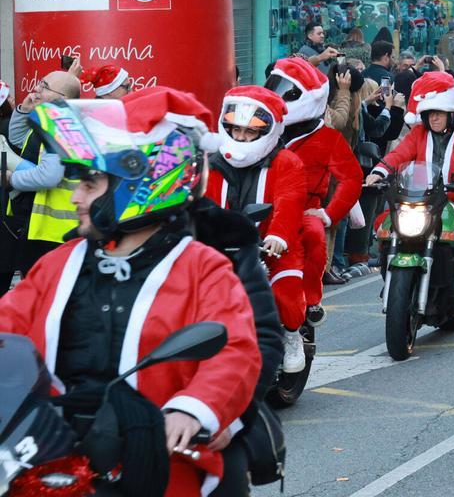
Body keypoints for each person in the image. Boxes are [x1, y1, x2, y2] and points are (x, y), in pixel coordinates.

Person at [0, 88, 261, 496]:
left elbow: (235, 350)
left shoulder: (202, 267)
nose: (75, 197)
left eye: (89, 183)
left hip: (153, 457)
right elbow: (7, 327)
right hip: (50, 454)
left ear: (138, 185)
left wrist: (190, 410)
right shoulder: (57, 263)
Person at [365, 71, 454, 341]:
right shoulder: (417, 133)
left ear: (450, 112)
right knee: (385, 229)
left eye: (439, 113)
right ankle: (396, 286)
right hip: (419, 202)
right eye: (429, 114)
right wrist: (379, 172)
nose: (434, 118)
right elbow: (398, 155)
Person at [205, 86, 309, 372]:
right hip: (218, 247)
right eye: (235, 130)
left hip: (269, 246)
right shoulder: (210, 163)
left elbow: (290, 201)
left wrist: (278, 236)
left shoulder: (286, 162)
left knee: (284, 285)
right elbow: (198, 202)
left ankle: (291, 335)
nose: (240, 138)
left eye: (249, 132)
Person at [264, 58, 362, 312]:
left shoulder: (327, 139)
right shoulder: (262, 130)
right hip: (261, 207)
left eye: (288, 91)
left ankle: (310, 302)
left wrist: (328, 214)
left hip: (304, 209)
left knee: (315, 236)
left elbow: (352, 177)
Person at [5, 70, 83, 273]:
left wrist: (11, 180)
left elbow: (49, 176)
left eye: (44, 87)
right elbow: (18, 138)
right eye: (39, 83)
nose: (36, 89)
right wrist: (24, 109)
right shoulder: (51, 120)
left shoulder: (61, 127)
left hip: (56, 235)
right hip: (43, 230)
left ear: (62, 98)